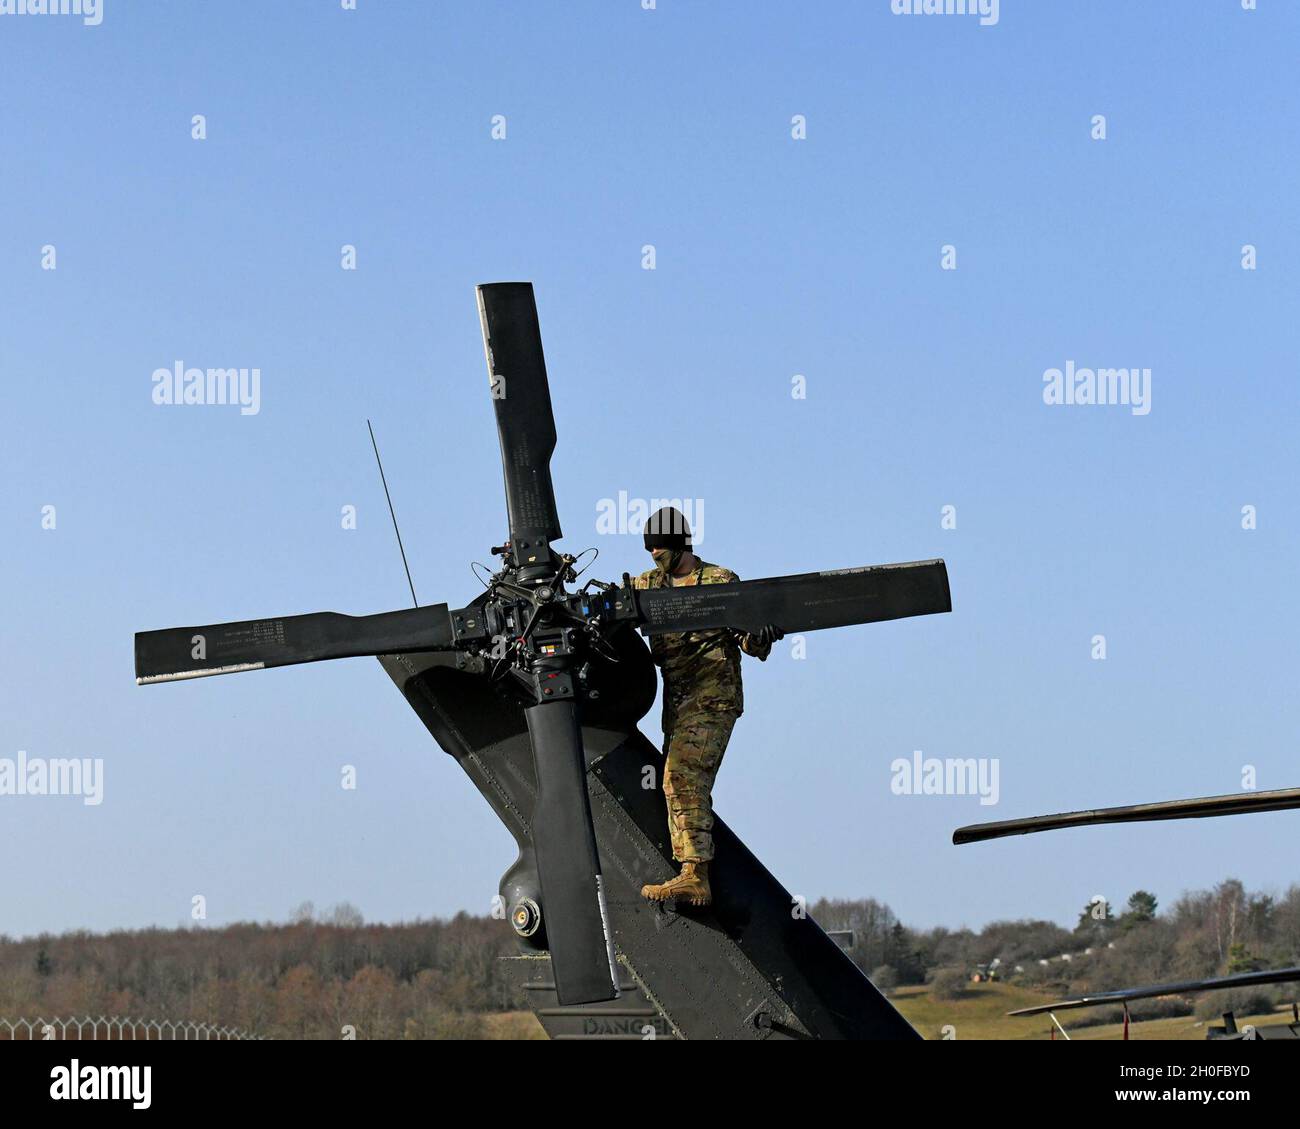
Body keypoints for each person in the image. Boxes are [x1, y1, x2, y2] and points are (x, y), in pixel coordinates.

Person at [632, 506, 783, 907]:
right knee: (673, 781)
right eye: (649, 548)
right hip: (677, 704)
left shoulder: (719, 581)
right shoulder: (647, 585)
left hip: (713, 698)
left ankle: (695, 874)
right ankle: (688, 868)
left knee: (681, 777)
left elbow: (750, 643)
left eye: (660, 547)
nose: (654, 555)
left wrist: (761, 635)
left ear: (681, 543)